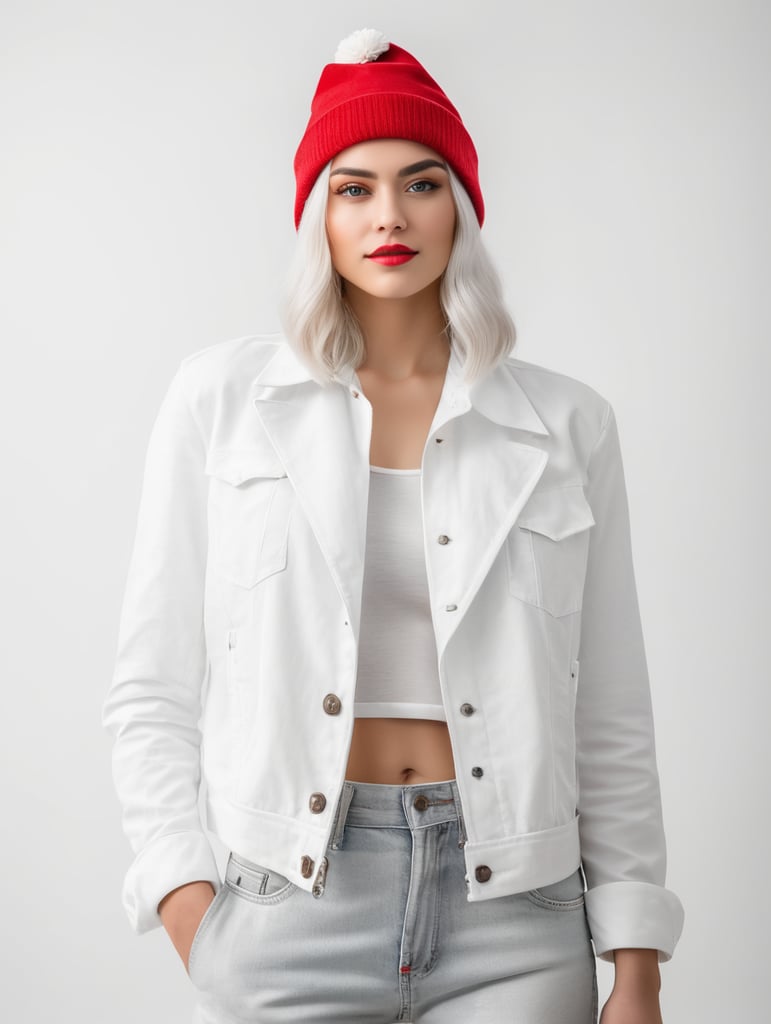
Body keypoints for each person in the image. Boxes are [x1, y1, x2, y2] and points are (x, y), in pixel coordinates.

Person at [103, 28, 684, 1023]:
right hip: (289, 901)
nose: (389, 216)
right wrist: (192, 908)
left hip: (516, 910)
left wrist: (635, 959)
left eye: (421, 183)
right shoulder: (223, 401)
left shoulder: (568, 424)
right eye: (353, 188)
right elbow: (152, 686)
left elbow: (611, 713)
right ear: (316, 218)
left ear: (460, 207)